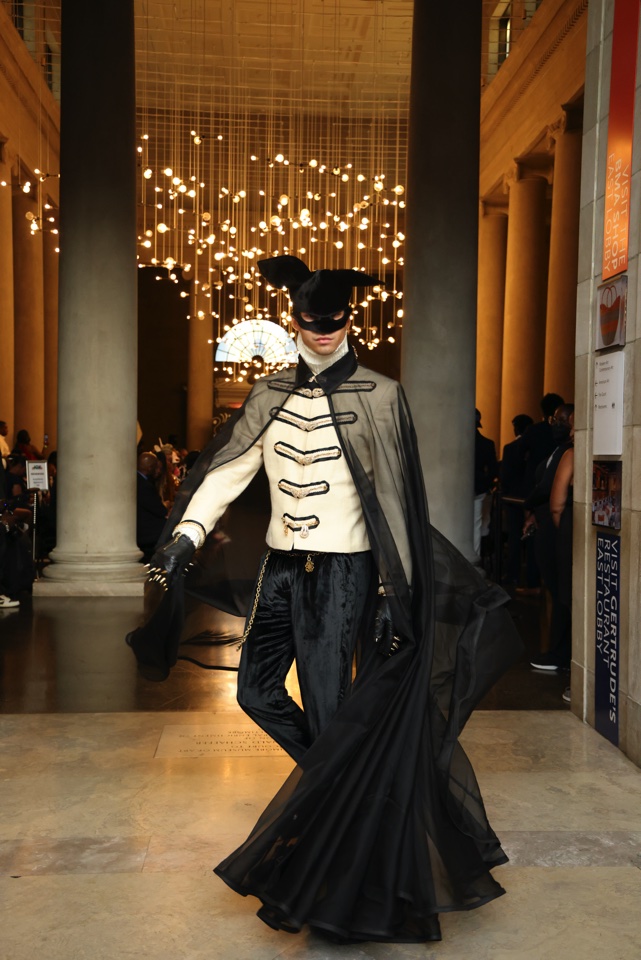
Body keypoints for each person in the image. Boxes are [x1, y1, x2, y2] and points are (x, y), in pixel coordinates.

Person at [128, 255, 522, 943]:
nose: (322, 333)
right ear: (295, 320)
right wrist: (185, 537)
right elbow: (228, 471)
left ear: (349, 320)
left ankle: (341, 867)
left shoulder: (381, 393)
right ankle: (350, 787)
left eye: (333, 322)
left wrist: (393, 588)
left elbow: (396, 500)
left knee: (328, 706)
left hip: (344, 574)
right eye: (311, 322)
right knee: (256, 692)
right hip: (280, 568)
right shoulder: (267, 393)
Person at [500, 413, 535, 588]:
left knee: (514, 538)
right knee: (531, 539)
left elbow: (505, 476)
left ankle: (512, 575)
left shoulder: (510, 448)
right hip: (531, 498)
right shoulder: (535, 449)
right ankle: (532, 579)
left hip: (513, 499)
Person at [473, 409, 498, 559]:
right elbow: (493, 470)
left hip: (458, 490)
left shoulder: (457, 442)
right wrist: (484, 484)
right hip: (479, 489)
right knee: (476, 526)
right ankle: (474, 560)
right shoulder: (487, 444)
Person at [136, 451, 168, 562]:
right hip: (145, 532)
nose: (157, 470)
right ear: (150, 468)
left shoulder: (137, 480)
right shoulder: (144, 485)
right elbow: (160, 511)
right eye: (155, 467)